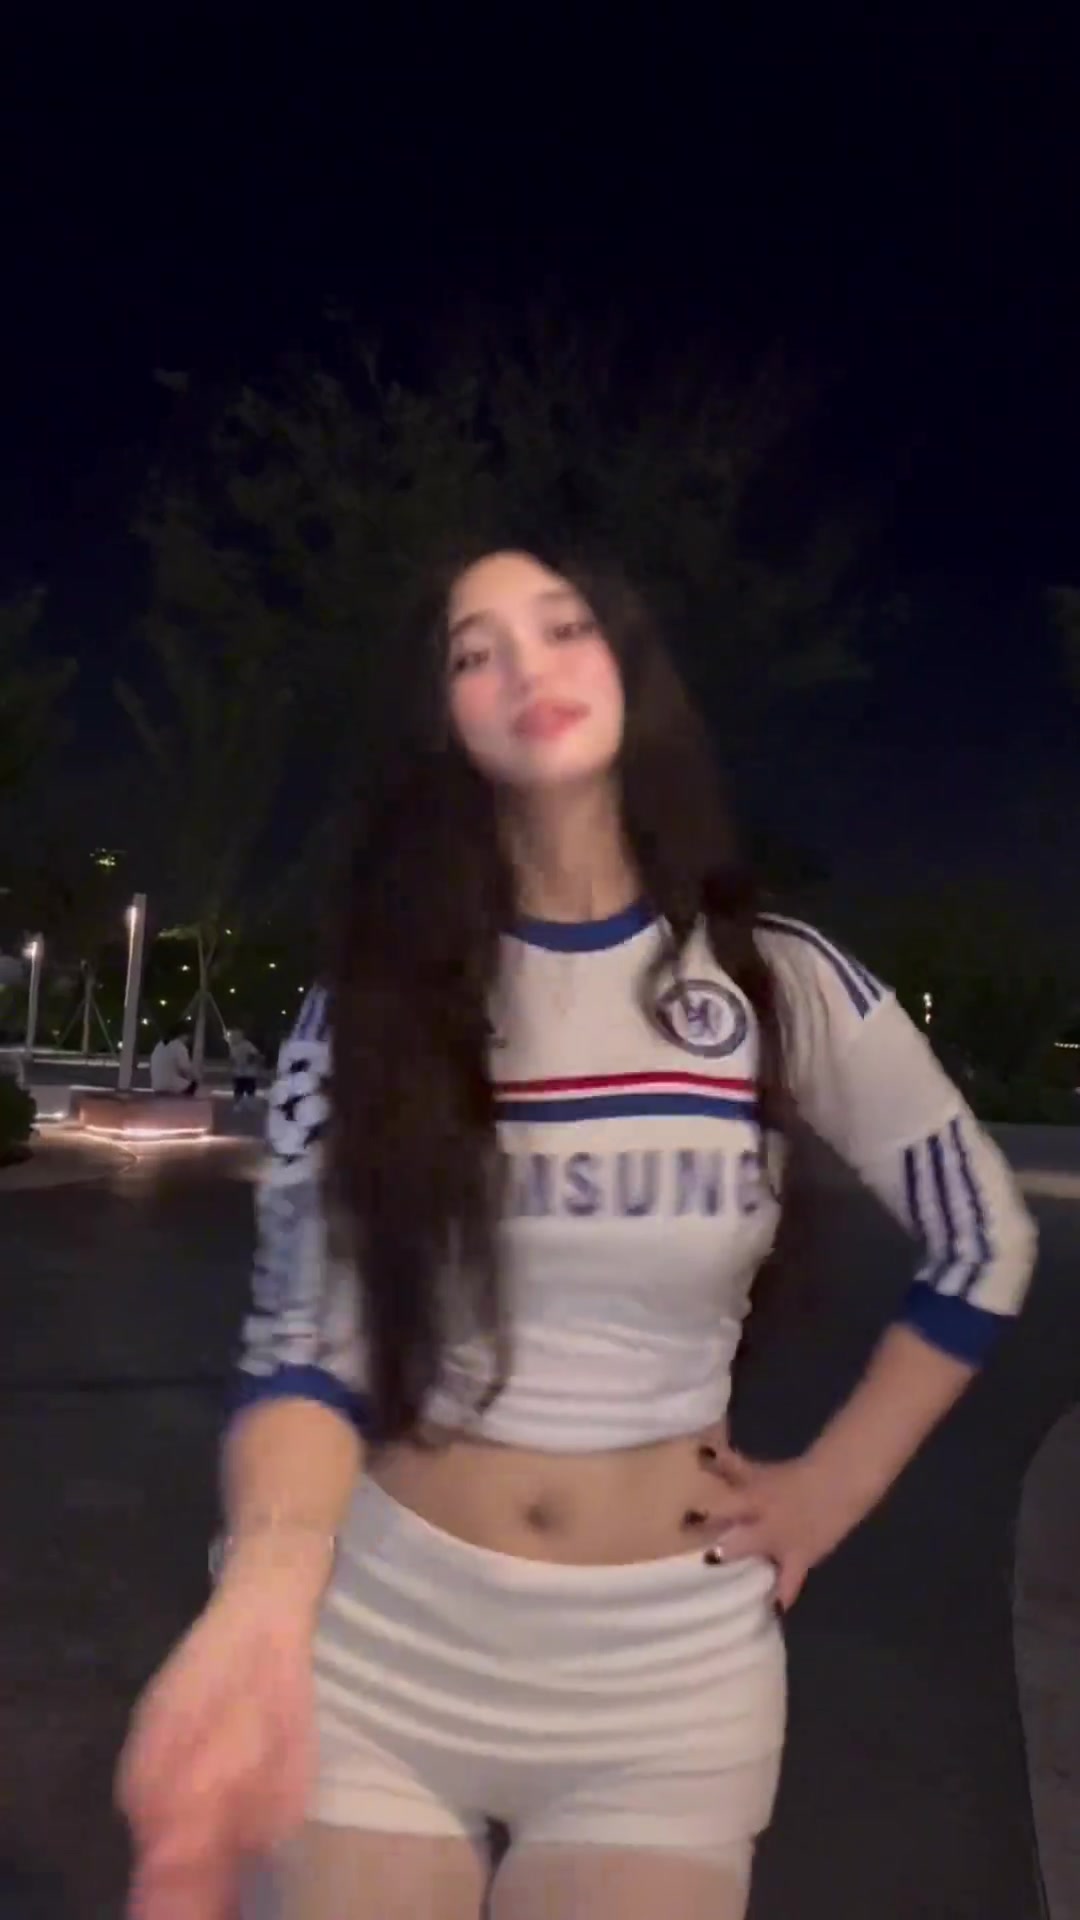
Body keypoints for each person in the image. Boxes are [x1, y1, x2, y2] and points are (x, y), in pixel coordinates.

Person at [117, 549, 1038, 1920]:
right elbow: (304, 1345)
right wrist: (262, 1591)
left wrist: (832, 1487)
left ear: (629, 672)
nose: (525, 667)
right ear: (443, 721)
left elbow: (983, 1239)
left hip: (663, 1685)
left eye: (562, 628)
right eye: (473, 650)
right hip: (378, 1645)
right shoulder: (371, 1006)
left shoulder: (775, 982)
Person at [148, 1022, 197, 1097]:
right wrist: (195, 1076)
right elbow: (185, 1068)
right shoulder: (179, 1046)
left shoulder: (159, 1045)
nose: (188, 1039)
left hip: (156, 1085)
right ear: (183, 1035)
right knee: (194, 1084)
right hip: (172, 1086)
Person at [228, 1027, 263, 1105]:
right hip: (239, 1074)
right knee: (239, 1091)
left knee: (248, 1092)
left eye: (235, 1036)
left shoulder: (247, 1044)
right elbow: (232, 1060)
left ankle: (248, 1106)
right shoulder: (233, 1047)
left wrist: (247, 1061)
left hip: (248, 1073)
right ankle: (239, 1106)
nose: (233, 1038)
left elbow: (254, 1055)